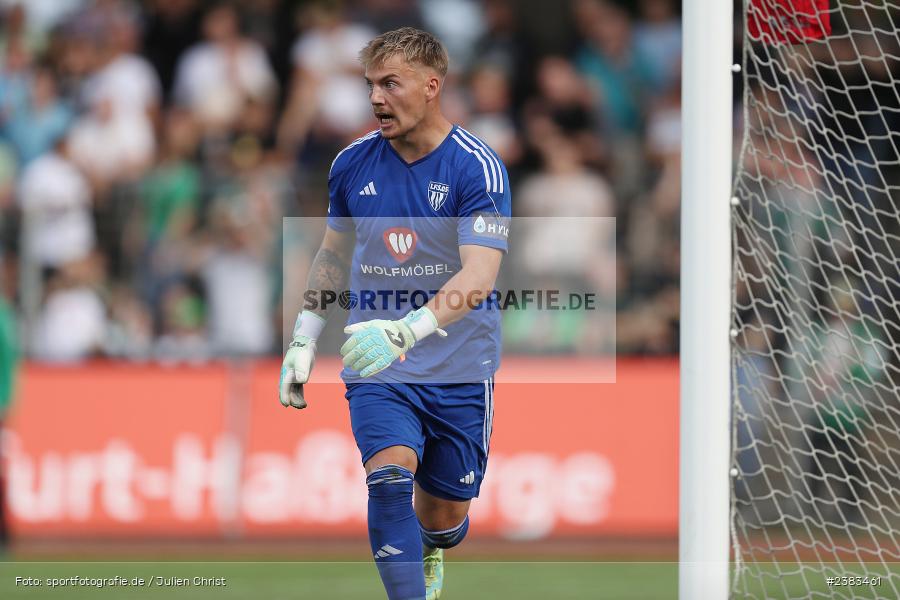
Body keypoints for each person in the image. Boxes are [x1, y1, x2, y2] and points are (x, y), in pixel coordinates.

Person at [279, 27, 510, 600]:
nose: (376, 98)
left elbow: (479, 277)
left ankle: (433, 548)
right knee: (387, 479)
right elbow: (331, 257)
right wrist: (304, 339)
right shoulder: (352, 164)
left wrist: (406, 329)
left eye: (391, 84)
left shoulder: (477, 168)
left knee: (443, 523)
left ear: (431, 87)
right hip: (376, 363)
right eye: (370, 85)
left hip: (458, 365)